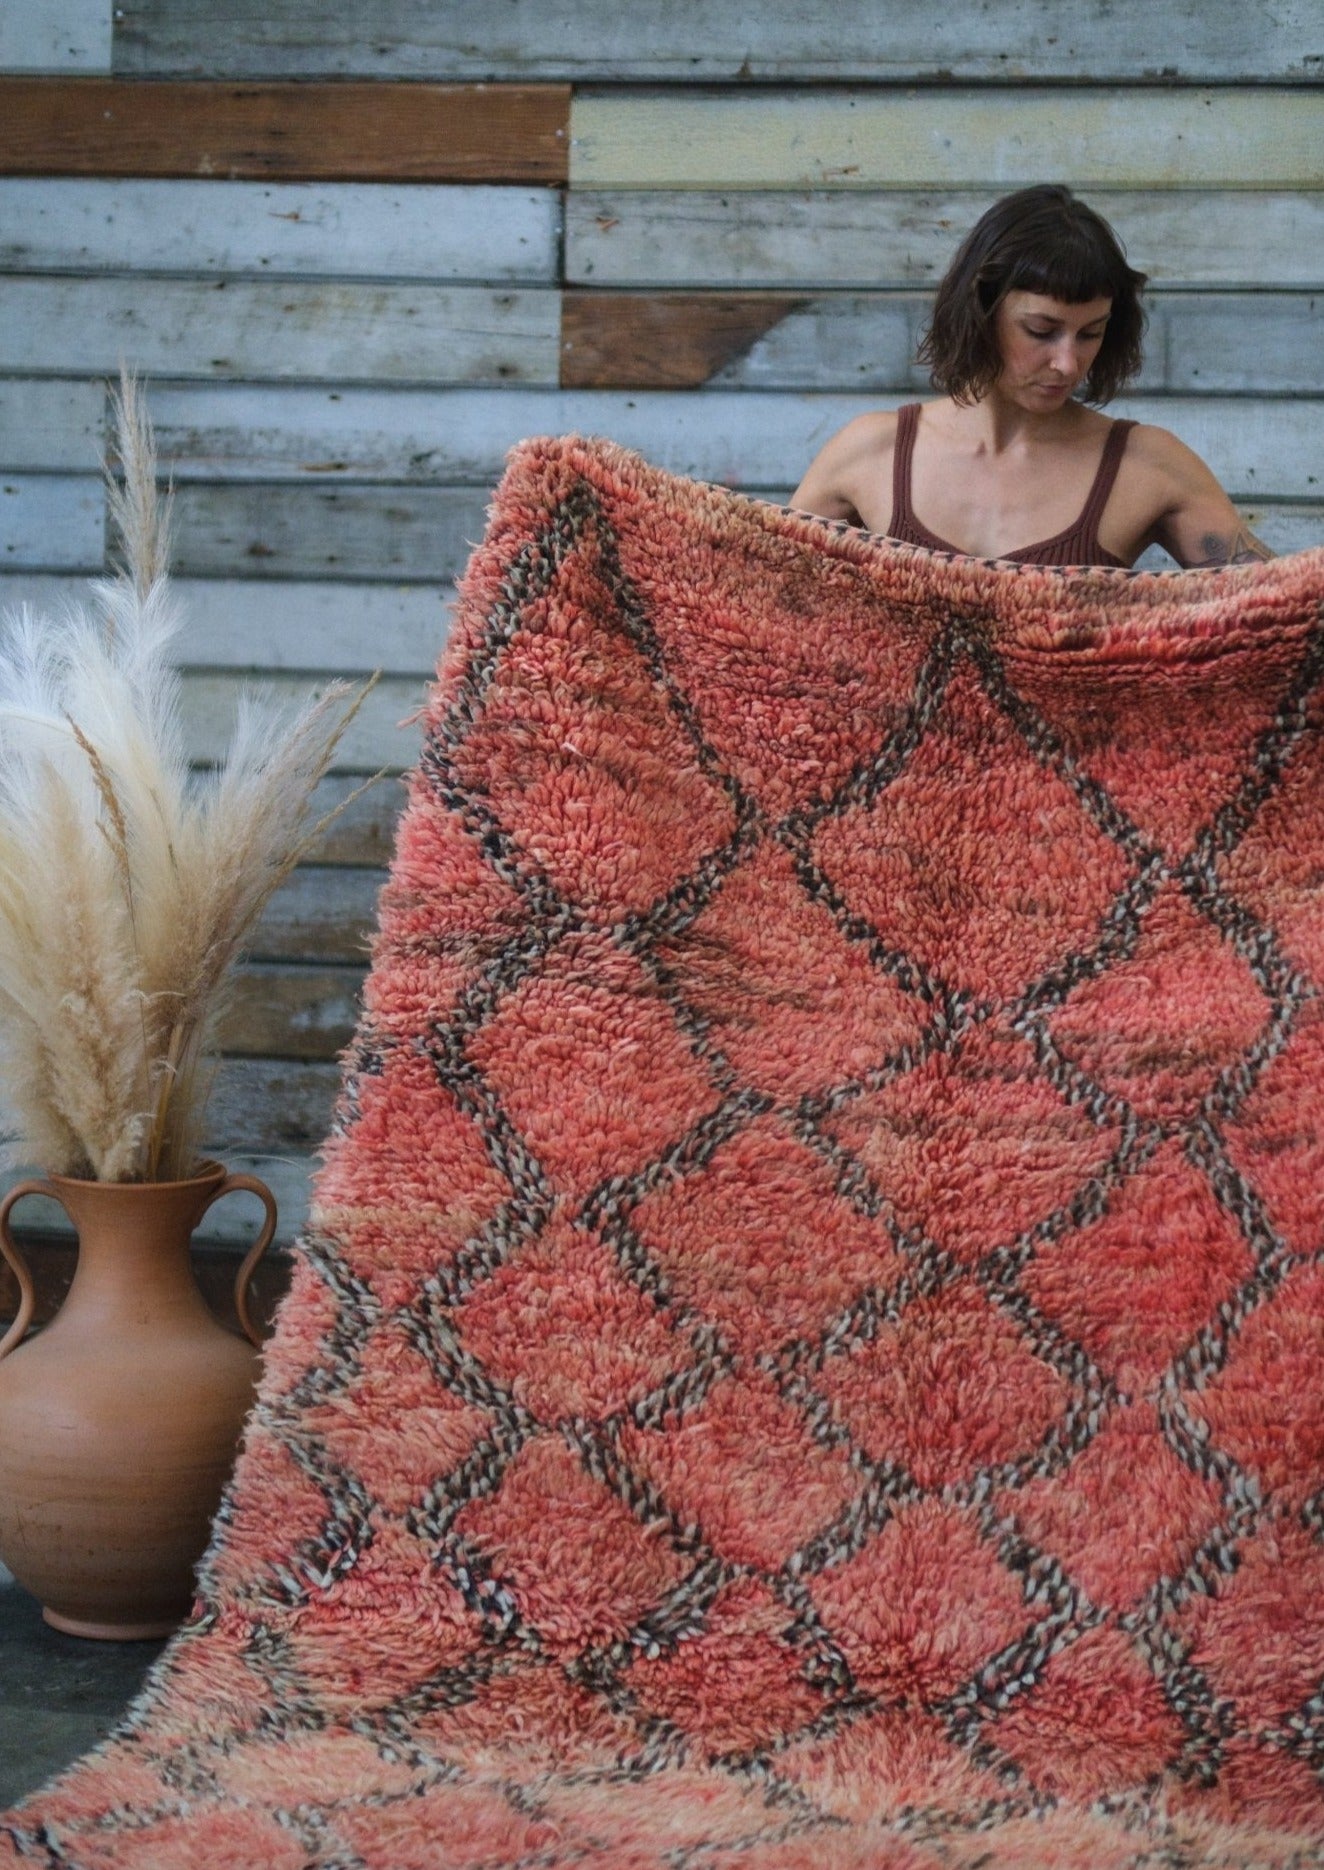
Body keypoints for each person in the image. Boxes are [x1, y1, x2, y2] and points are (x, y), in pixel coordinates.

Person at [791, 185, 1273, 569]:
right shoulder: (872, 453)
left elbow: (1282, 622)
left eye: (1091, 334)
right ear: (981, 311)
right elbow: (756, 619)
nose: (1067, 363)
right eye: (1041, 331)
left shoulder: (1147, 466)